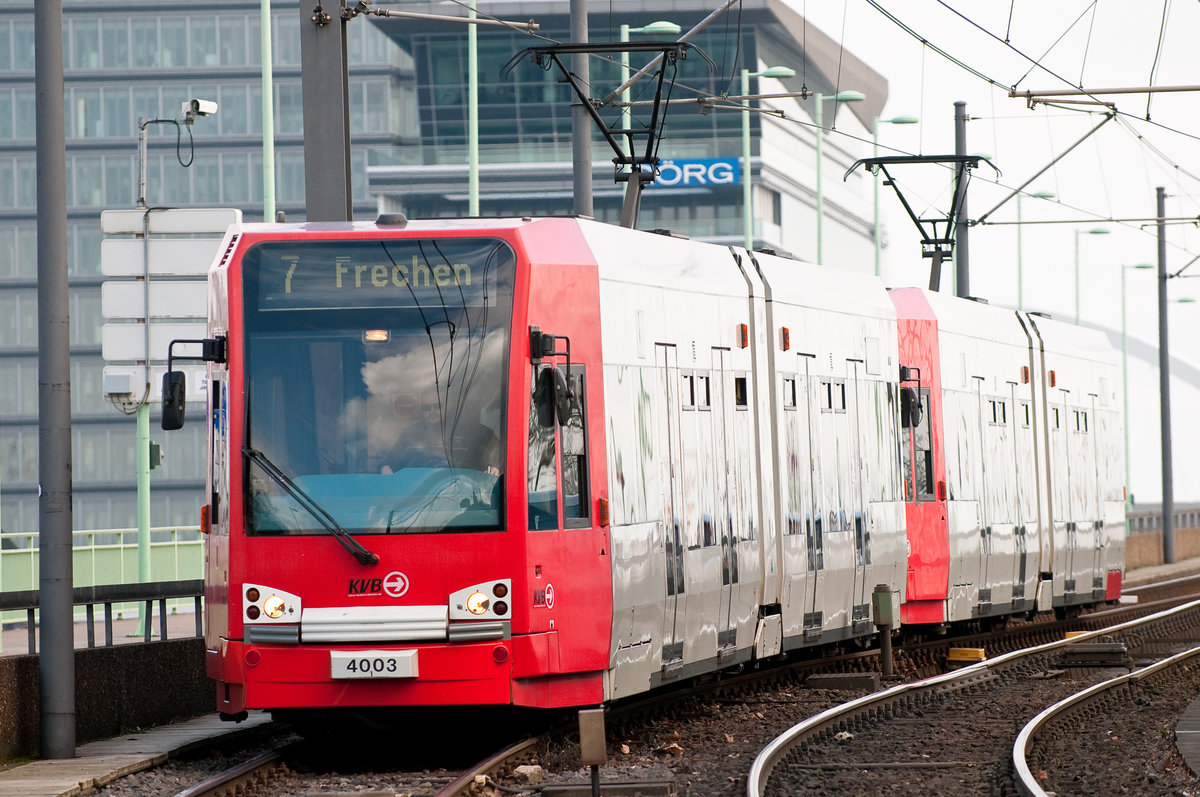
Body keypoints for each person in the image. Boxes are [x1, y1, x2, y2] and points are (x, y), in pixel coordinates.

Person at [381, 391, 501, 475]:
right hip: (419, 498)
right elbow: (389, 463)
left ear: (450, 405)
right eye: (426, 408)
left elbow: (499, 452)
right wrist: (386, 469)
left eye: (437, 406)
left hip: (464, 497)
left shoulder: (473, 431)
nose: (432, 411)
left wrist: (495, 466)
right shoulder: (411, 435)